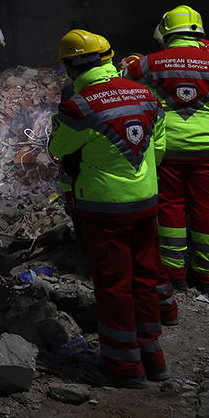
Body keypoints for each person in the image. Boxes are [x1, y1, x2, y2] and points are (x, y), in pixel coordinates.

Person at [48, 29, 169, 388]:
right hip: (145, 203)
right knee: (146, 278)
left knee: (114, 285)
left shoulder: (79, 106)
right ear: (109, 57)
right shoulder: (146, 94)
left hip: (104, 209)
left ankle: (124, 367)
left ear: (70, 68)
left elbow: (59, 148)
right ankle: (155, 358)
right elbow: (158, 146)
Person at [121, 5, 209, 296]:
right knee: (208, 208)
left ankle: (174, 274)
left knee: (170, 209)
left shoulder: (144, 65)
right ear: (200, 31)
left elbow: (125, 99)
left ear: (166, 31)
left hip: (166, 151)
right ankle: (206, 277)